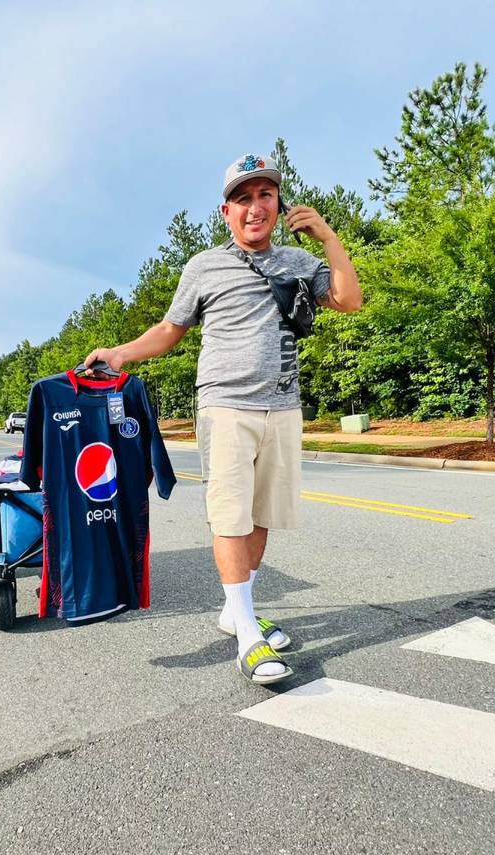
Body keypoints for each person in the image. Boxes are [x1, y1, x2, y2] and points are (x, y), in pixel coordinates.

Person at [84, 153, 363, 684]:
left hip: (282, 406)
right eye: (243, 198)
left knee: (260, 516)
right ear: (225, 211)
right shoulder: (203, 267)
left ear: (279, 205)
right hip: (226, 405)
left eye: (265, 195)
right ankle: (249, 639)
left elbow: (349, 300)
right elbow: (171, 330)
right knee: (232, 515)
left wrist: (328, 238)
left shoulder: (299, 262)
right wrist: (121, 352)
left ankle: (237, 609)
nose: (255, 207)